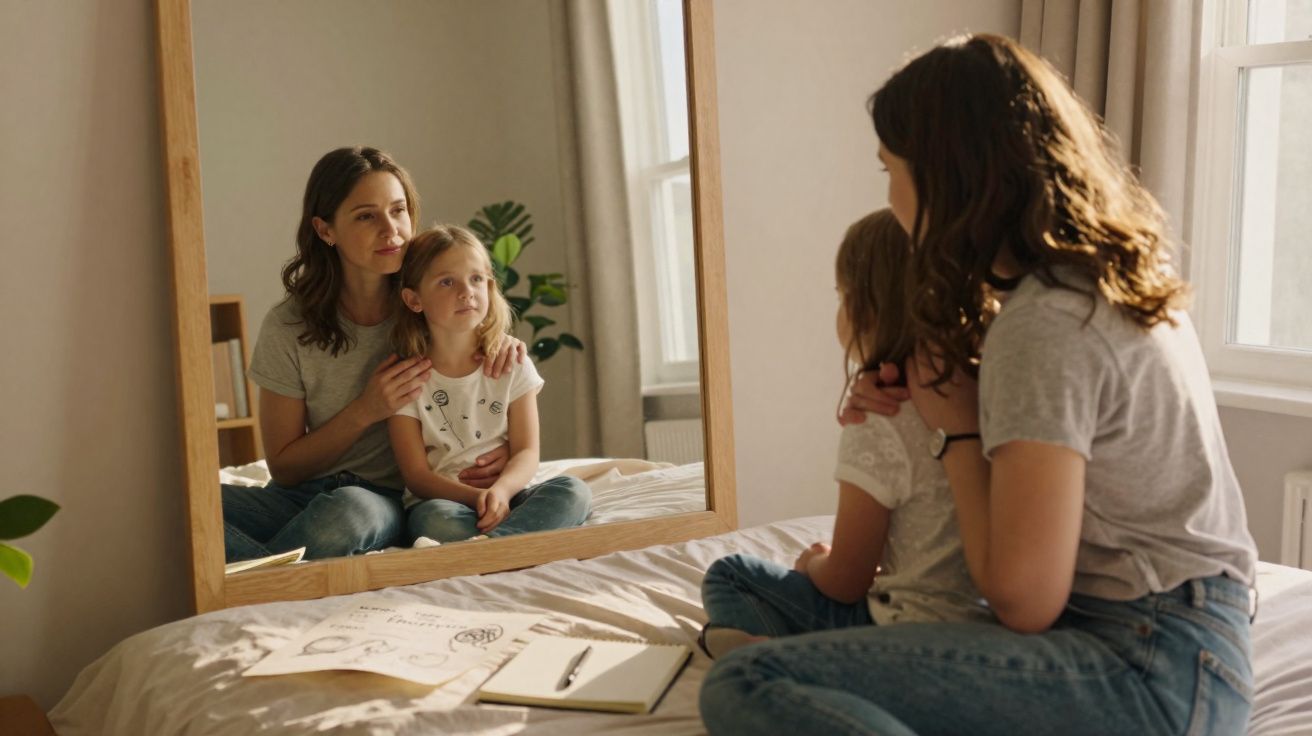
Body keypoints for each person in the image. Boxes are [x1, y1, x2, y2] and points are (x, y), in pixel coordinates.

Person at [700, 34, 1258, 736]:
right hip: (1193, 649)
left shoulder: (1048, 323)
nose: (891, 197)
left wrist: (956, 431)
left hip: (1150, 668)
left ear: (946, 177)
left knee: (749, 679)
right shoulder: (1099, 290)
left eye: (890, 171)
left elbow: (1024, 600)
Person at [698, 209, 992, 660]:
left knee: (730, 574)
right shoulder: (994, 401)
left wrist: (814, 560)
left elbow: (846, 581)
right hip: (988, 634)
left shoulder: (880, 419)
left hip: (899, 632)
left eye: (841, 294)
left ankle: (783, 656)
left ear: (863, 307)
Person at [223, 147, 523, 563]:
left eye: (398, 211)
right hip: (301, 495)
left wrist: (504, 446)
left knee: (346, 515)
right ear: (325, 230)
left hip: (382, 499)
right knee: (187, 507)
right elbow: (285, 468)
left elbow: (488, 379)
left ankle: (256, 579)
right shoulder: (289, 325)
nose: (392, 230)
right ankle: (274, 569)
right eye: (367, 216)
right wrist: (366, 410)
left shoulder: (432, 301)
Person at [387, 225, 591, 543]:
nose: (466, 291)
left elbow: (526, 450)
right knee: (432, 521)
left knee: (573, 492)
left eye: (476, 279)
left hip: (510, 496)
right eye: (446, 281)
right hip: (447, 504)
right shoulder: (405, 379)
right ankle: (513, 548)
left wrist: (501, 493)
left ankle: (490, 549)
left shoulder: (514, 364)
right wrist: (475, 499)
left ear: (489, 287)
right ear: (414, 299)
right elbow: (417, 477)